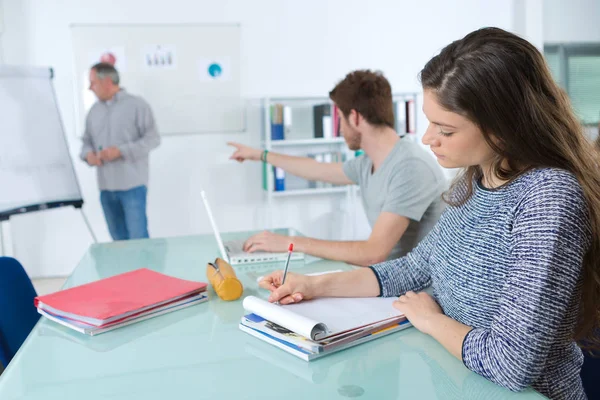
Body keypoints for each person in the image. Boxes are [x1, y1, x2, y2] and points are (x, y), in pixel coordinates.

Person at [259, 28, 600, 400]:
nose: (426, 138)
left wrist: (431, 320)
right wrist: (314, 286)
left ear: (502, 128)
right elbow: (410, 270)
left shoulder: (548, 198)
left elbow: (512, 363)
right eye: (429, 121)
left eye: (445, 129)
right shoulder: (472, 182)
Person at [229, 70, 446, 266]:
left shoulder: (410, 166)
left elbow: (373, 253)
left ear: (355, 117)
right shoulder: (367, 163)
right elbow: (315, 169)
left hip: (418, 294)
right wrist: (261, 155)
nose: (340, 128)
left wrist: (290, 243)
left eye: (340, 119)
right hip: (387, 279)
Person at [80, 63, 161, 241]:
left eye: (93, 83)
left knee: (138, 239)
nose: (90, 88)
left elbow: (153, 139)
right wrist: (88, 155)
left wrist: (121, 151)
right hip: (106, 188)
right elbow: (86, 143)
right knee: (117, 243)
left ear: (107, 81)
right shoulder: (93, 112)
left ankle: (145, 270)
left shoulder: (137, 105)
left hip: (132, 186)